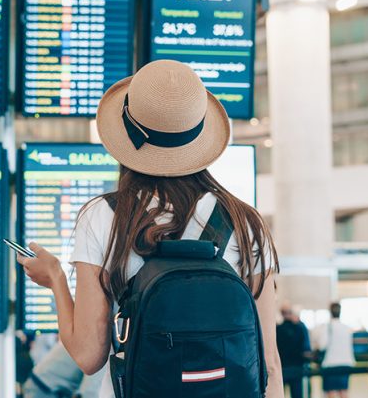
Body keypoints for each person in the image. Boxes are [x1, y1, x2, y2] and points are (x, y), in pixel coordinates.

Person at [17, 60, 284, 398]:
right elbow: (269, 363)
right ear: (199, 135)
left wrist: (55, 277)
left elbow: (89, 355)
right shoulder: (246, 222)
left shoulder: (105, 216)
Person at [313, 303, 355, 398]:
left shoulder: (327, 327)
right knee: (344, 391)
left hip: (331, 364)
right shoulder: (346, 328)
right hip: (346, 363)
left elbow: (322, 345)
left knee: (330, 392)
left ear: (330, 312)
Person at [276, 302, 310, 398]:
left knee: (280, 394)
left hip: (282, 368)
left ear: (281, 313)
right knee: (297, 395)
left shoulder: (277, 330)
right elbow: (306, 349)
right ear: (291, 313)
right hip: (297, 368)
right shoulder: (300, 328)